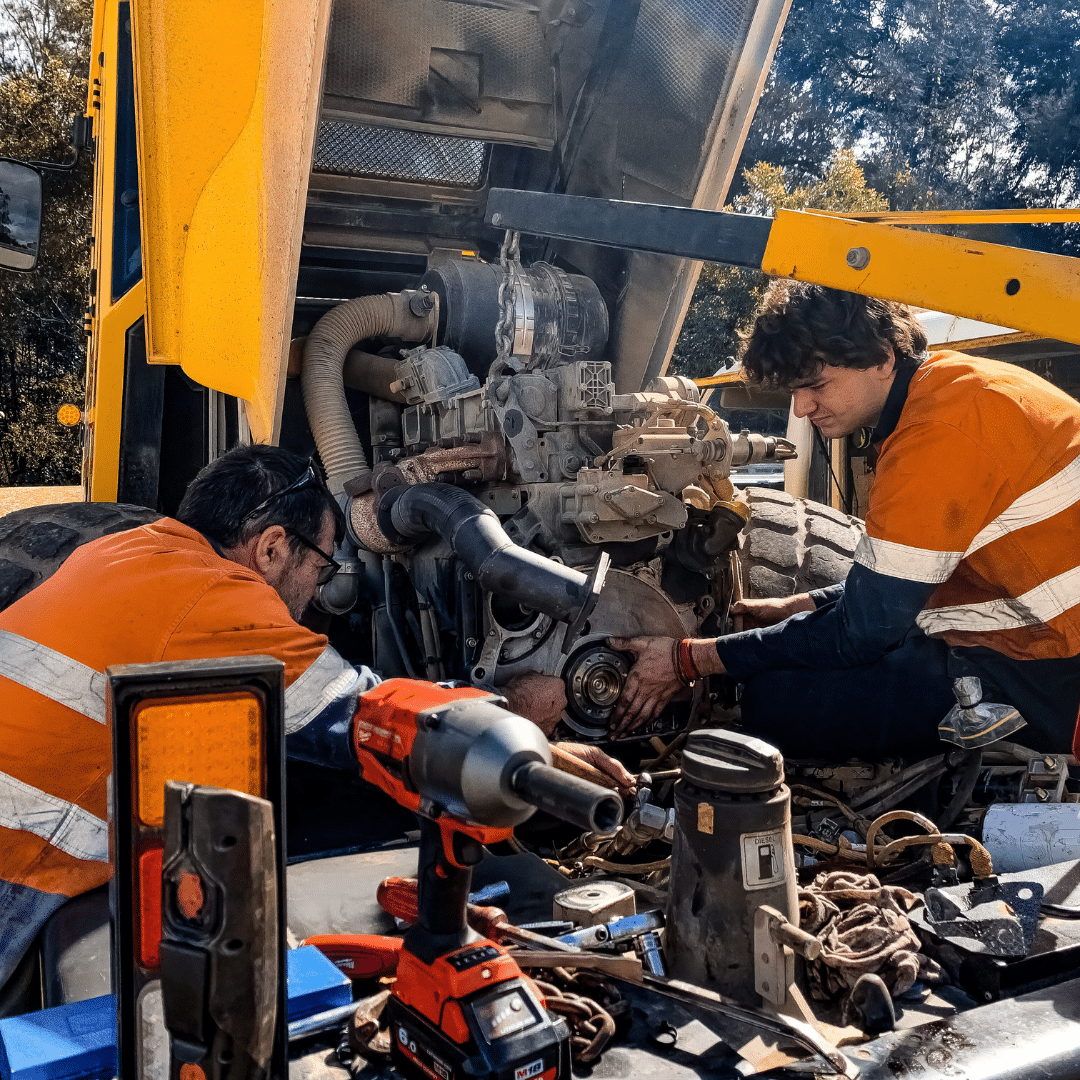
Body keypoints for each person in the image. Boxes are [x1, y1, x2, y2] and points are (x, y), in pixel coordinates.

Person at [0, 444, 631, 991]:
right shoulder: (215, 595)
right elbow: (368, 720)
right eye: (323, 567)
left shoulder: (127, 550)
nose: (320, 594)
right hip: (17, 878)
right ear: (273, 546)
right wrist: (524, 736)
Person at [612, 283, 1080, 761]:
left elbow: (862, 632)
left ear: (881, 357)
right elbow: (914, 577)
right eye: (795, 390)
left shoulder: (937, 436)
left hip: (1056, 672)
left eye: (816, 385)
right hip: (1046, 643)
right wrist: (806, 602)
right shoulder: (954, 391)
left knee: (783, 700)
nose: (801, 408)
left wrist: (691, 659)